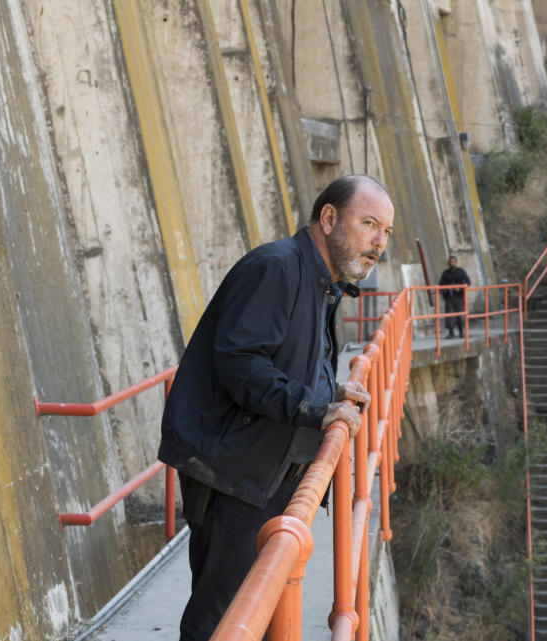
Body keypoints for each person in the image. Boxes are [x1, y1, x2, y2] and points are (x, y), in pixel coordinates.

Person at [158, 175, 394, 641]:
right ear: (329, 218)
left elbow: (295, 362)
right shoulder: (278, 267)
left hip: (268, 471)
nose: (378, 242)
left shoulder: (322, 282)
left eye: (385, 232)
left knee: (264, 614)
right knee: (222, 617)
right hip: (236, 474)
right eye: (368, 224)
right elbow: (241, 363)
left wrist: (334, 394)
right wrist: (315, 410)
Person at [439, 254, 471, 338]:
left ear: (456, 262)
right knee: (449, 315)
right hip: (449, 296)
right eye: (450, 262)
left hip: (458, 297)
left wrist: (459, 287)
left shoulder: (461, 271)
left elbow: (468, 282)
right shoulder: (445, 273)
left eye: (453, 261)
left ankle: (461, 332)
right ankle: (451, 332)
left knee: (459, 314)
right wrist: (442, 289)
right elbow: (441, 284)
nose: (451, 263)